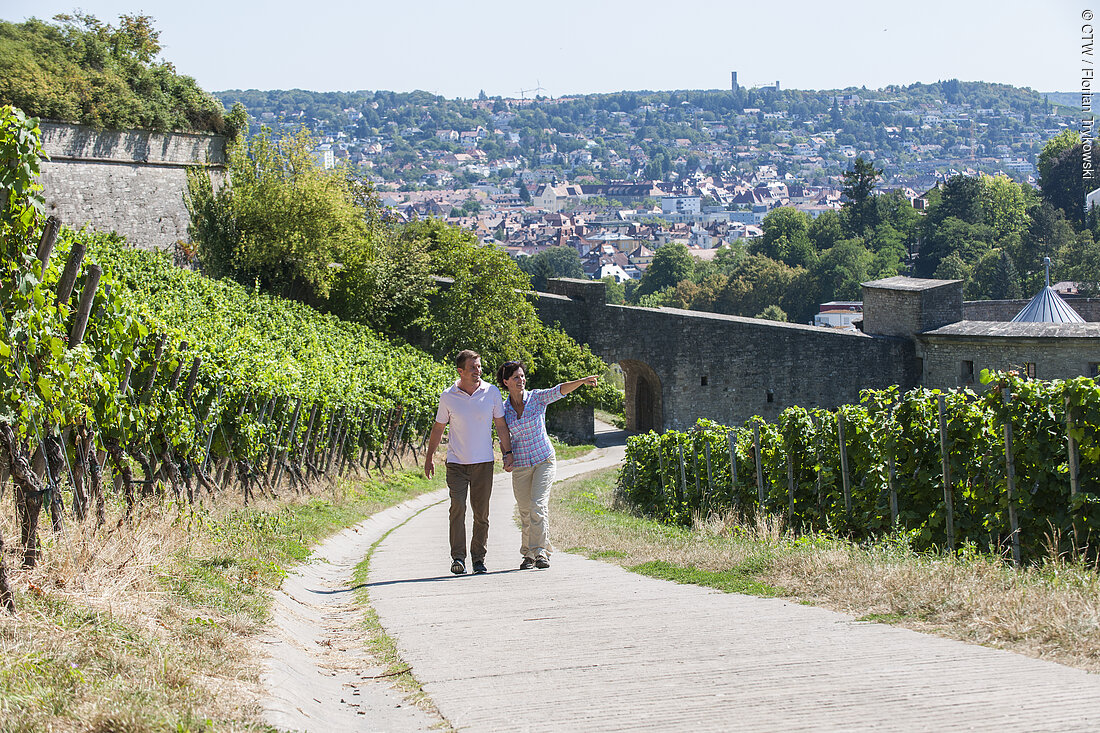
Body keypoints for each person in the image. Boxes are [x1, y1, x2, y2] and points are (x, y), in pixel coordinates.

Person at [496, 360, 598, 570]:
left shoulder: (537, 398)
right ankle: (528, 555)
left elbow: (559, 390)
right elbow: (503, 433)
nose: (521, 380)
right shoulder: (503, 409)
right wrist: (507, 455)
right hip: (522, 464)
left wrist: (582, 381)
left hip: (544, 459)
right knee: (525, 510)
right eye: (516, 377)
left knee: (537, 505)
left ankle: (541, 552)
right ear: (505, 381)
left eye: (522, 376)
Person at [425, 350, 513, 575]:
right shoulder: (448, 396)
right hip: (456, 463)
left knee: (481, 513)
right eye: (472, 367)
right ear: (460, 371)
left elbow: (501, 425)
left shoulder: (491, 392)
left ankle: (479, 558)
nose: (478, 370)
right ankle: (458, 558)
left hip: (483, 463)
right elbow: (438, 428)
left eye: (479, 366)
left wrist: (507, 452)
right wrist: (429, 457)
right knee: (458, 508)